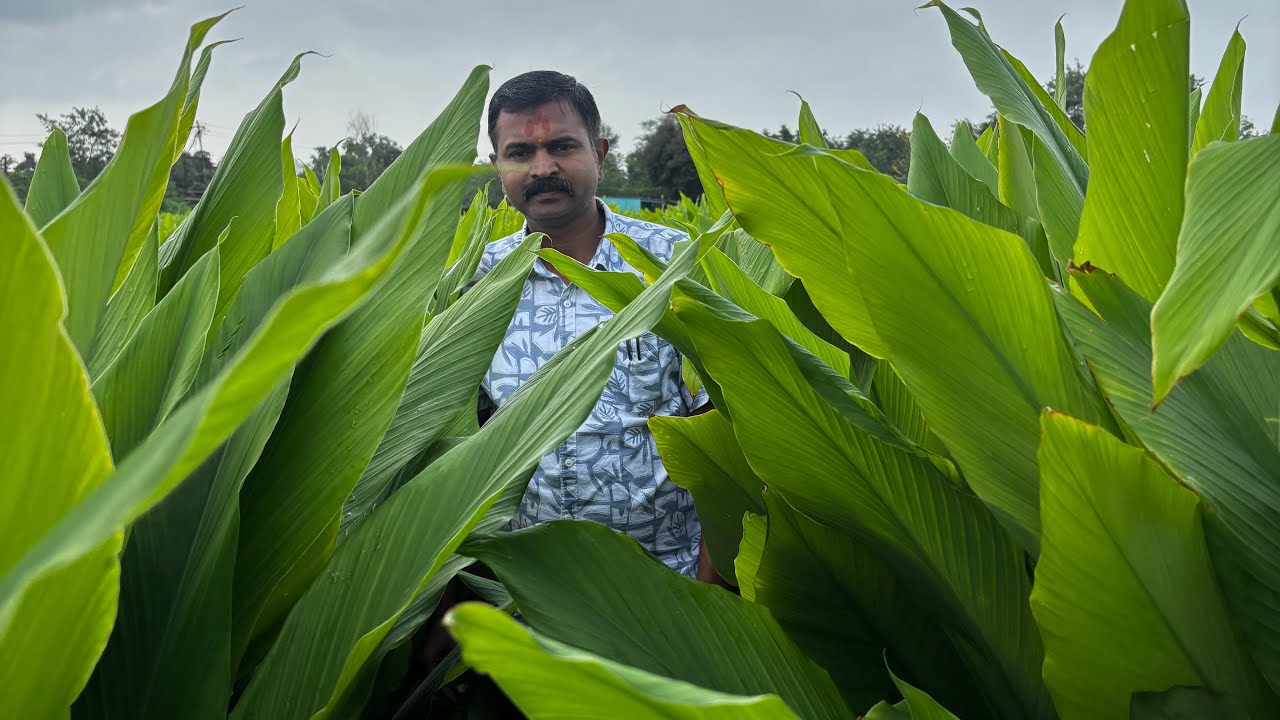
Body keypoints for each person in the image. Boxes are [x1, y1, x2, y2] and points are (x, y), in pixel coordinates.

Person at [473, 70, 714, 580]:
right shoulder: (476, 284)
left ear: (599, 155)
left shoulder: (672, 266)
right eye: (520, 153)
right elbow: (456, 440)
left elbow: (723, 430)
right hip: (528, 597)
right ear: (497, 166)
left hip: (668, 587)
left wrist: (712, 590)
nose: (543, 167)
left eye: (562, 146)